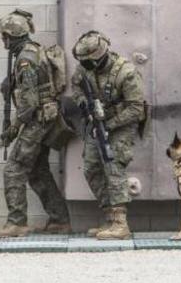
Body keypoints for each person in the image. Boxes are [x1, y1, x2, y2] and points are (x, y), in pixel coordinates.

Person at [0, 9, 71, 238]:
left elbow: (29, 104)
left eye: (4, 36)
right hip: (43, 119)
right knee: (38, 171)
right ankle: (59, 220)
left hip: (37, 121)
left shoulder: (25, 60)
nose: (2, 40)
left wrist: (12, 130)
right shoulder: (31, 51)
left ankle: (16, 222)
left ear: (13, 36)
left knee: (14, 170)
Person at [70, 31, 146, 240]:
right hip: (97, 122)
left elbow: (136, 109)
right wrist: (83, 103)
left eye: (87, 62)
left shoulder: (126, 72)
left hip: (121, 124)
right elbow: (76, 85)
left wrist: (110, 124)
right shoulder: (85, 68)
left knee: (114, 168)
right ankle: (110, 218)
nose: (83, 66)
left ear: (99, 57)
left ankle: (121, 225)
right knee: (91, 168)